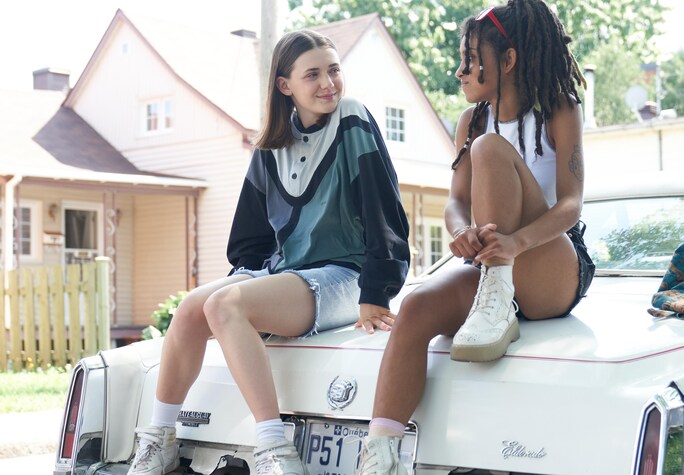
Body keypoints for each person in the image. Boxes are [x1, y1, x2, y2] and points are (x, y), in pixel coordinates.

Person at [126, 30, 410, 475]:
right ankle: (159, 438)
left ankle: (273, 448)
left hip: (345, 275)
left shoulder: (352, 119)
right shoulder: (270, 146)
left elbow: (384, 209)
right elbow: (250, 241)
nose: (328, 83)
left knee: (225, 305)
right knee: (189, 310)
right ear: (285, 86)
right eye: (312, 74)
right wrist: (253, 282)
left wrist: (378, 290)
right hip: (288, 275)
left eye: (333, 70)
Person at [354, 0, 594, 473]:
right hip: (488, 271)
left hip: (550, 266)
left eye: (470, 58)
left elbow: (571, 205)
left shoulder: (559, 110)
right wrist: (461, 230)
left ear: (507, 61)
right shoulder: (472, 121)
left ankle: (498, 299)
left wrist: (516, 244)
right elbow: (455, 202)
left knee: (489, 150)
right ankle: (380, 457)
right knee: (417, 307)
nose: (459, 70)